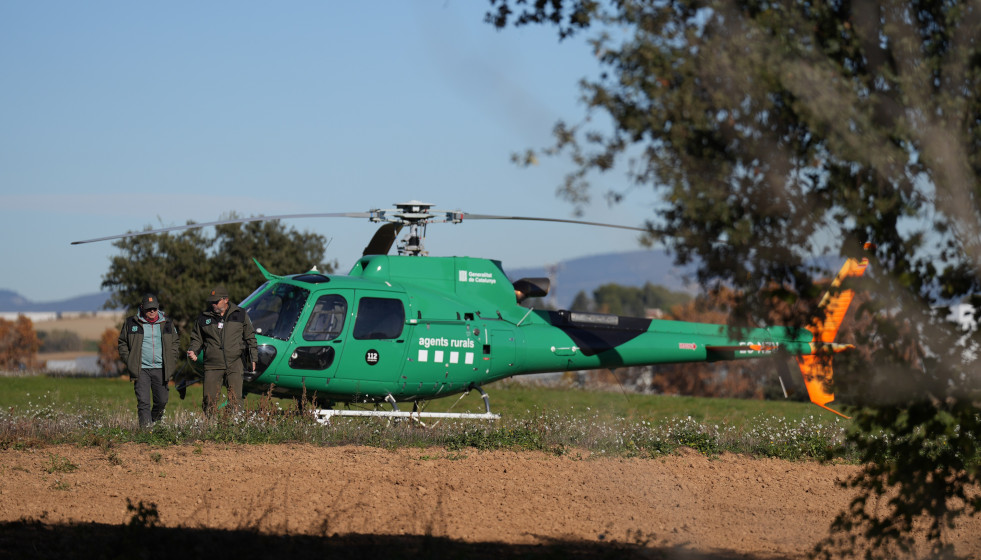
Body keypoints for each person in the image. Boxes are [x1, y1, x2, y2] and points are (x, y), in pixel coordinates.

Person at [187, 286, 257, 415]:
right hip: (212, 364)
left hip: (235, 362)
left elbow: (250, 337)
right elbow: (196, 338)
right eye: (211, 302)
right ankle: (210, 427)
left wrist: (253, 357)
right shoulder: (203, 317)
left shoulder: (240, 314)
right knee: (209, 399)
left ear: (226, 300)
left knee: (236, 399)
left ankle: (235, 428)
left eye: (216, 301)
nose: (213, 304)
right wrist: (194, 350)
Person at [117, 293, 179, 428]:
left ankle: (155, 425)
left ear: (158, 308)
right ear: (142, 308)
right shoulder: (130, 323)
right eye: (148, 309)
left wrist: (172, 359)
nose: (152, 311)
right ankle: (146, 431)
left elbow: (175, 342)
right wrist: (130, 361)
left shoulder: (167, 323)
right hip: (141, 369)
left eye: (154, 309)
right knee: (143, 402)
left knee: (162, 401)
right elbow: (122, 343)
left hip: (161, 368)